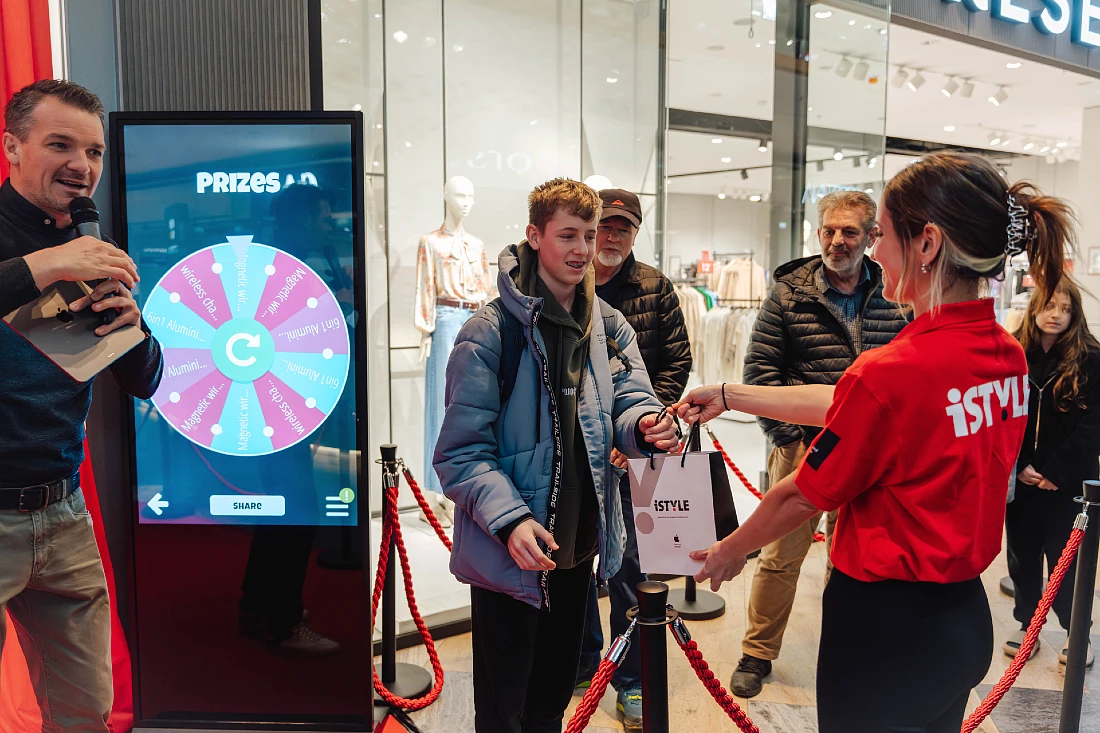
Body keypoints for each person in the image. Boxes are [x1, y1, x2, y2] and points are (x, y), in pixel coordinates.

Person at [674, 151, 1070, 733]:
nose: (875, 250)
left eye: (882, 234)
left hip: (883, 633)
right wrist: (735, 395)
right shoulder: (1004, 353)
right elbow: (857, 401)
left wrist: (731, 549)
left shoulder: (895, 370)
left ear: (927, 244)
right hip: (962, 620)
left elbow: (802, 496)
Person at [434, 178, 679, 733]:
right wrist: (511, 520)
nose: (582, 249)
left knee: (552, 697)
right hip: (509, 556)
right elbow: (460, 454)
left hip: (577, 550)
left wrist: (643, 427)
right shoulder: (489, 332)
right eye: (567, 234)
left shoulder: (608, 326)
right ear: (533, 236)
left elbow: (629, 400)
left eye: (589, 236)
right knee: (503, 708)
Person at [0, 80, 164, 730]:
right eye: (60, 144)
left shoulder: (94, 248)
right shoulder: (50, 250)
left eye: (93, 151)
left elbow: (145, 381)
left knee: (85, 711)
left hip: (63, 517)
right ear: (12, 146)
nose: (82, 166)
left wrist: (134, 326)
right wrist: (44, 265)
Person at [732, 190, 907, 697]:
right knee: (781, 553)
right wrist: (790, 438)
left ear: (872, 237)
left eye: (849, 232)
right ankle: (757, 651)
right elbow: (760, 372)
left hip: (873, 453)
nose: (836, 241)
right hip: (806, 446)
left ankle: (845, 646)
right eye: (829, 230)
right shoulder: (789, 291)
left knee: (851, 554)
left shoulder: (894, 291)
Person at [575, 188, 692, 728]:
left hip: (638, 449)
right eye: (606, 226)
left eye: (624, 228)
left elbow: (675, 361)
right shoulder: (567, 282)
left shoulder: (655, 288)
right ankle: (581, 663)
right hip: (580, 453)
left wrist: (644, 427)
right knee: (575, 557)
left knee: (629, 569)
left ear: (635, 234)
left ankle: (632, 680)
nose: (612, 237)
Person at [1004, 277, 1098, 667]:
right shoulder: (1013, 353)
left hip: (1068, 483)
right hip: (1022, 480)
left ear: (1074, 313)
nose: (1056, 315)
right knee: (1022, 556)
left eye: (1065, 308)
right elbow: (1004, 412)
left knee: (1068, 560)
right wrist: (1021, 462)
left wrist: (1055, 471)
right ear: (1033, 308)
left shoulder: (1091, 357)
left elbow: (1093, 425)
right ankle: (1028, 625)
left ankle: (1078, 634)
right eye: (1048, 306)